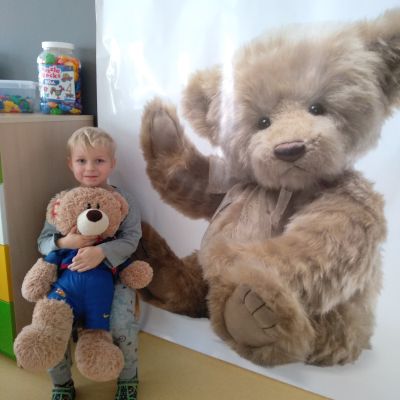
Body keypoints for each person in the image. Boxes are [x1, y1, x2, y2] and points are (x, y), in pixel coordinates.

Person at [37, 126, 142, 400]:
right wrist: (64, 242)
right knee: (52, 324)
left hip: (114, 277)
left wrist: (102, 251)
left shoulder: (124, 201)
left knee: (122, 325)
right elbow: (43, 242)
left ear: (112, 163)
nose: (90, 168)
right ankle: (62, 383)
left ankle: (128, 377)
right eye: (82, 160)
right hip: (69, 279)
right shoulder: (62, 203)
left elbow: (132, 239)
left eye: (99, 160)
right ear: (70, 163)